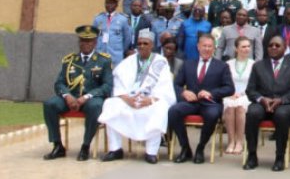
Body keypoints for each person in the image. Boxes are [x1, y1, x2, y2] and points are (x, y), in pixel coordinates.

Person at [98, 29, 176, 163]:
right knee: (110, 104)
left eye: (145, 43)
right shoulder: (129, 61)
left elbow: (165, 88)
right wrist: (127, 99)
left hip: (150, 100)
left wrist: (150, 100)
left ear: (152, 45)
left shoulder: (160, 61)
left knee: (161, 107)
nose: (141, 46)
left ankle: (151, 152)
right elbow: (118, 83)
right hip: (130, 100)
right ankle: (115, 149)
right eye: (139, 43)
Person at [43, 25, 113, 161]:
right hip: (70, 98)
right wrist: (67, 96)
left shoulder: (103, 60)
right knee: (50, 104)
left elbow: (107, 86)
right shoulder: (69, 60)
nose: (85, 44)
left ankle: (85, 146)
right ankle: (58, 145)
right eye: (82, 40)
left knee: (96, 106)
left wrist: (86, 97)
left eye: (89, 41)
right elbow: (59, 83)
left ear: (95, 43)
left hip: (91, 98)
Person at [170, 33, 235, 164]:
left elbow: (229, 88)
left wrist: (211, 93)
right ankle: (185, 148)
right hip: (191, 102)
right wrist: (184, 92)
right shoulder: (188, 64)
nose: (207, 49)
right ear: (198, 47)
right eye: (204, 46)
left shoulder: (222, 66)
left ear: (214, 48)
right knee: (174, 111)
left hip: (210, 103)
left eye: (210, 46)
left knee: (212, 115)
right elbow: (176, 85)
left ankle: (200, 148)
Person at [243, 35, 290, 172]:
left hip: (285, 104)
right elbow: (250, 90)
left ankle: (280, 157)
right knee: (252, 113)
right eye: (270, 45)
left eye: (277, 45)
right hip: (262, 103)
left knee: (282, 115)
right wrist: (261, 99)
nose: (273, 48)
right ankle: (252, 156)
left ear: (285, 48)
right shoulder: (258, 66)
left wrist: (282, 100)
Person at [223, 36, 255, 155]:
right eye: (243, 46)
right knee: (230, 106)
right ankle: (231, 141)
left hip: (247, 95)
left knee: (240, 106)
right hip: (230, 94)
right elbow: (224, 82)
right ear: (236, 49)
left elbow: (254, 85)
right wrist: (230, 93)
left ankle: (240, 142)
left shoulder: (254, 64)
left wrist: (242, 94)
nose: (246, 49)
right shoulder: (228, 64)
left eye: (248, 46)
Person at [93, 0, 132, 65]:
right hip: (100, 56)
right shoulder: (98, 19)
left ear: (116, 5)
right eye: (107, 2)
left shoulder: (123, 19)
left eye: (112, 3)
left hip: (115, 57)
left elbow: (127, 39)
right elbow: (94, 37)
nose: (109, 5)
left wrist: (119, 51)